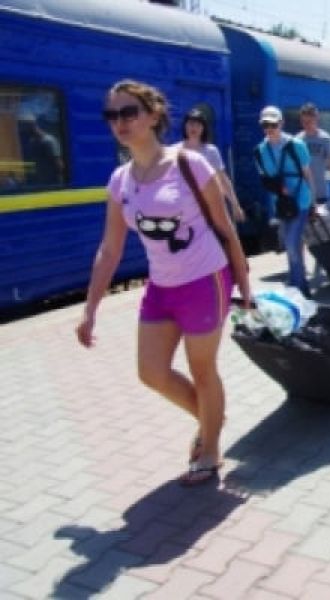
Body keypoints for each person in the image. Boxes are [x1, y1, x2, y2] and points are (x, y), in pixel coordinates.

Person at [76, 79, 251, 486]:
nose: (119, 122)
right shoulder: (120, 180)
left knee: (202, 370)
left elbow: (226, 229)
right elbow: (110, 249)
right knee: (151, 372)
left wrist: (244, 285)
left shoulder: (190, 164)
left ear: (154, 116)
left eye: (129, 112)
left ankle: (210, 450)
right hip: (161, 288)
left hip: (205, 280)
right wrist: (90, 309)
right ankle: (211, 418)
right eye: (111, 115)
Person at [254, 105, 315, 297]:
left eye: (273, 124)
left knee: (290, 242)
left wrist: (313, 202)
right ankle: (301, 286)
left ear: (281, 124)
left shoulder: (297, 145)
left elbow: (307, 174)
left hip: (301, 200)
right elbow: (265, 179)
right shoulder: (260, 151)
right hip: (281, 204)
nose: (269, 129)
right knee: (291, 244)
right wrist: (278, 188)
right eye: (265, 125)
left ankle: (296, 286)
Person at [174, 109, 245, 222]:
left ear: (203, 128)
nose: (194, 128)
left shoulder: (211, 151)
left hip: (208, 205)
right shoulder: (175, 151)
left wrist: (235, 205)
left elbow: (222, 179)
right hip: (183, 207)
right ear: (185, 126)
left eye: (198, 124)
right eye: (191, 123)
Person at [295, 102, 330, 209]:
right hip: (303, 195)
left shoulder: (325, 139)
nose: (306, 125)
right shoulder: (297, 140)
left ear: (316, 119)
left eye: (309, 122)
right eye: (303, 122)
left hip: (321, 193)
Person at [18, 113, 63, 186]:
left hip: (51, 183)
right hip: (38, 183)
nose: (22, 130)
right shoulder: (32, 142)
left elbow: (58, 164)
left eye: (24, 127)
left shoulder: (48, 141)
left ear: (32, 126)